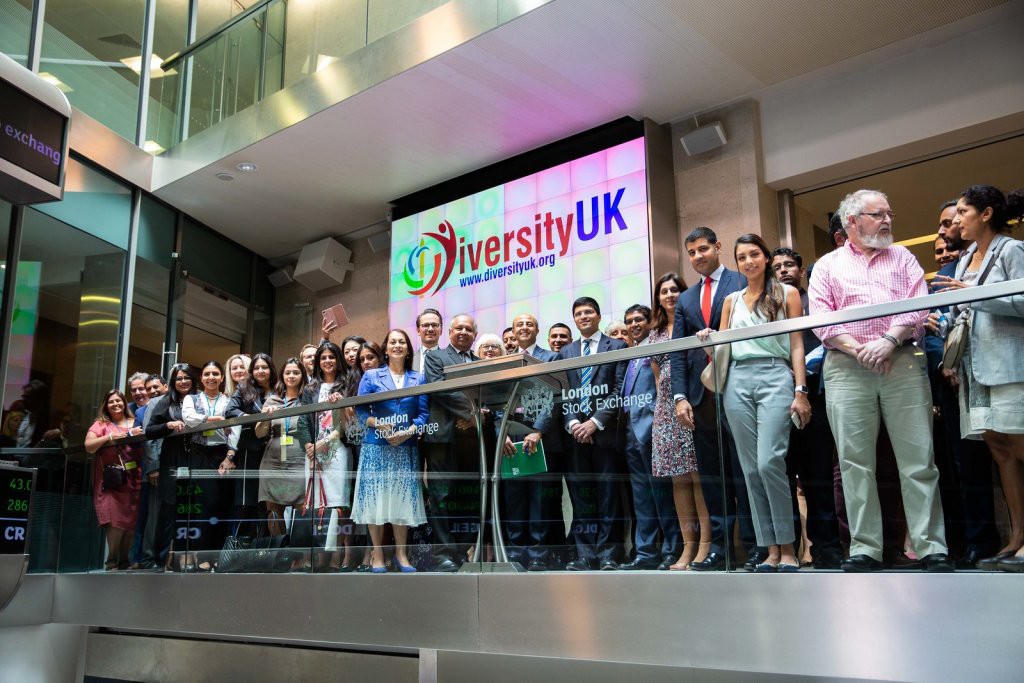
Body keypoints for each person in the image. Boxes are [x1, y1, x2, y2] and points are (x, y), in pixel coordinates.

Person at [809, 189, 952, 573]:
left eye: (890, 213)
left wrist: (888, 342)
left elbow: (919, 305)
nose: (888, 220)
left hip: (901, 361)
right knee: (855, 463)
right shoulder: (826, 266)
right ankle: (865, 547)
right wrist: (861, 350)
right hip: (845, 366)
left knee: (919, 459)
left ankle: (930, 546)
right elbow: (822, 319)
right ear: (851, 222)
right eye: (878, 214)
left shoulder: (903, 257)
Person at [704, 235, 809, 572]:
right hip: (736, 380)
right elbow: (722, 351)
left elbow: (796, 345)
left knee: (769, 463)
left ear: (765, 257)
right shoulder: (731, 301)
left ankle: (789, 547)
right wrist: (709, 340)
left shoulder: (787, 294)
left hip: (775, 376)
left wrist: (800, 389)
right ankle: (770, 549)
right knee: (750, 470)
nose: (748, 262)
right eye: (741, 257)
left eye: (754, 255)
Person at [936, 185, 1024, 571]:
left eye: (962, 213)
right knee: (1000, 451)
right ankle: (1017, 537)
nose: (956, 221)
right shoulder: (967, 256)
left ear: (986, 214)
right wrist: (942, 322)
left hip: (1008, 365)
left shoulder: (1012, 250)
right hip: (974, 369)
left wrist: (972, 294)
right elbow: (963, 307)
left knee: (1020, 450)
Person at [669, 226, 760, 571]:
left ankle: (752, 547)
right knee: (712, 477)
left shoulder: (742, 281)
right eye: (691, 252)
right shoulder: (686, 299)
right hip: (700, 397)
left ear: (718, 247)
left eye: (703, 249)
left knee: (743, 470)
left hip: (739, 386)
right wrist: (680, 397)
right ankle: (719, 549)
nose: (697, 257)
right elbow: (678, 353)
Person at [926, 200, 1000, 568]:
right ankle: (969, 542)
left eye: (950, 221)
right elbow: (933, 328)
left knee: (998, 459)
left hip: (991, 372)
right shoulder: (945, 275)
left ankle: (994, 540)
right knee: (959, 465)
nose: (944, 228)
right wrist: (944, 362)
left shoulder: (992, 259)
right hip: (950, 383)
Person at [771, 248, 844, 568]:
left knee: (817, 476)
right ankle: (790, 550)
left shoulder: (815, 303)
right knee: (782, 475)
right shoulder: (768, 308)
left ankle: (826, 547)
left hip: (813, 396)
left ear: (800, 270)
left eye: (789, 265)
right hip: (774, 399)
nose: (784, 270)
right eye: (777, 267)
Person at [559, 297, 627, 571]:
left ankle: (610, 553)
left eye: (589, 312)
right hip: (575, 437)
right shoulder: (565, 352)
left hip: (605, 434)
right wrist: (575, 423)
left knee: (609, 495)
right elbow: (562, 392)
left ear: (598, 316)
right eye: (579, 313)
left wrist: (595, 422)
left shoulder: (617, 346)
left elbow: (619, 389)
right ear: (575, 319)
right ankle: (585, 554)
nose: (584, 316)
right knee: (582, 498)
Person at [353, 329, 429, 572]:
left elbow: (424, 414)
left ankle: (401, 554)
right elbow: (360, 410)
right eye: (393, 342)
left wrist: (408, 431)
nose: (397, 345)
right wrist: (377, 424)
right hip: (376, 445)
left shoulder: (419, 378)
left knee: (401, 501)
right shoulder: (372, 375)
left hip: (405, 446)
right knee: (375, 501)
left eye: (402, 342)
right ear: (385, 349)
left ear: (408, 349)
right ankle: (377, 554)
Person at [648, 272, 708, 570]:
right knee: (678, 479)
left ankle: (706, 546)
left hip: (694, 403)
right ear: (658, 298)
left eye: (675, 290)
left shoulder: (693, 323)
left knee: (699, 477)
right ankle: (688, 547)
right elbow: (659, 378)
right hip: (666, 411)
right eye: (664, 291)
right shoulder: (654, 333)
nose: (670, 295)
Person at [618, 304, 682, 570]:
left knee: (662, 494)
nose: (634, 324)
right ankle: (645, 553)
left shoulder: (655, 347)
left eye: (639, 319)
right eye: (629, 320)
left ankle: (671, 550)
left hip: (654, 429)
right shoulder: (629, 354)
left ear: (649, 321)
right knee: (641, 497)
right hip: (630, 436)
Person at [503, 313, 567, 571]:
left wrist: (539, 430)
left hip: (539, 437)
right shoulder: (504, 362)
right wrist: (502, 431)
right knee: (514, 499)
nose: (525, 328)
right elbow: (496, 401)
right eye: (520, 325)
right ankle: (517, 554)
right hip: (511, 439)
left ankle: (539, 554)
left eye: (529, 324)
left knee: (540, 500)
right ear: (514, 331)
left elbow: (554, 395)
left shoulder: (551, 357)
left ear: (537, 329)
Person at [422, 314, 480, 571]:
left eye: (469, 329)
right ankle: (442, 553)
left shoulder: (480, 362)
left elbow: (487, 394)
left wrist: (478, 416)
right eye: (459, 328)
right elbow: (440, 388)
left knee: (468, 497)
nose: (464, 332)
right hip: (443, 438)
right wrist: (472, 412)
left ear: (474, 334)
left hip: (472, 440)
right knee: (442, 496)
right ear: (449, 332)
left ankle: (460, 551)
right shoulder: (436, 357)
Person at [296, 342, 353, 569]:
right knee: (315, 503)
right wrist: (308, 444)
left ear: (338, 359)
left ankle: (337, 554)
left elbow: (351, 421)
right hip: (313, 452)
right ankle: (318, 554)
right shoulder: (310, 389)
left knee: (338, 503)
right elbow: (302, 420)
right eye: (323, 357)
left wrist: (325, 442)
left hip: (338, 449)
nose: (327, 361)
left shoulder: (347, 384)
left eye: (331, 357)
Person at [182, 361, 240, 571]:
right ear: (201, 378)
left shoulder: (229, 400)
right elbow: (188, 419)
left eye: (215, 374)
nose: (211, 377)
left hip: (224, 454)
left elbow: (235, 427)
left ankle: (219, 557)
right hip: (201, 455)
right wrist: (212, 419)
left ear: (222, 378)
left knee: (223, 505)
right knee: (205, 505)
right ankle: (203, 556)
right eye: (207, 374)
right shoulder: (192, 398)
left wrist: (230, 455)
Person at [140, 363, 198, 571]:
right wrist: (168, 425)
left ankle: (189, 559)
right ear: (173, 382)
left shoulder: (200, 399)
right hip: (172, 461)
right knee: (169, 511)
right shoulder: (166, 401)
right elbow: (150, 431)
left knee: (194, 510)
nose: (183, 381)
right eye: (179, 378)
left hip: (197, 460)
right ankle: (161, 560)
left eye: (187, 377)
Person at [84, 390, 144, 570]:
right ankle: (111, 560)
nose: (116, 404)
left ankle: (124, 560)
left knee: (131, 520)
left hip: (135, 477)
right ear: (106, 405)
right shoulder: (101, 424)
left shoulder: (135, 421)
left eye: (119, 401)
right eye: (111, 402)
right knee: (114, 519)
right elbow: (89, 447)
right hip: (112, 480)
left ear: (124, 403)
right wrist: (109, 437)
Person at [226, 353, 277, 535]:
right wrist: (251, 418)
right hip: (251, 450)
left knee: (269, 499)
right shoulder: (244, 389)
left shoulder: (280, 389)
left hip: (276, 448)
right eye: (256, 368)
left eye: (264, 367)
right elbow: (230, 410)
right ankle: (243, 543)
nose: (261, 371)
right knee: (247, 499)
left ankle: (266, 543)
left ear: (271, 369)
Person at [256, 358, 308, 537]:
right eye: (288, 372)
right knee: (273, 509)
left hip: (299, 459)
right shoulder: (272, 400)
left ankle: (298, 557)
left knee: (301, 507)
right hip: (273, 460)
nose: (291, 376)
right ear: (282, 376)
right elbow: (260, 433)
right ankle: (279, 553)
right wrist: (265, 418)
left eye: (296, 372)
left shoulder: (307, 400)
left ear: (302, 376)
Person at [412, 309, 443, 375]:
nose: (430, 329)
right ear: (418, 331)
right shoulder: (408, 359)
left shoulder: (449, 359)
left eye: (434, 325)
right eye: (425, 325)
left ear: (441, 330)